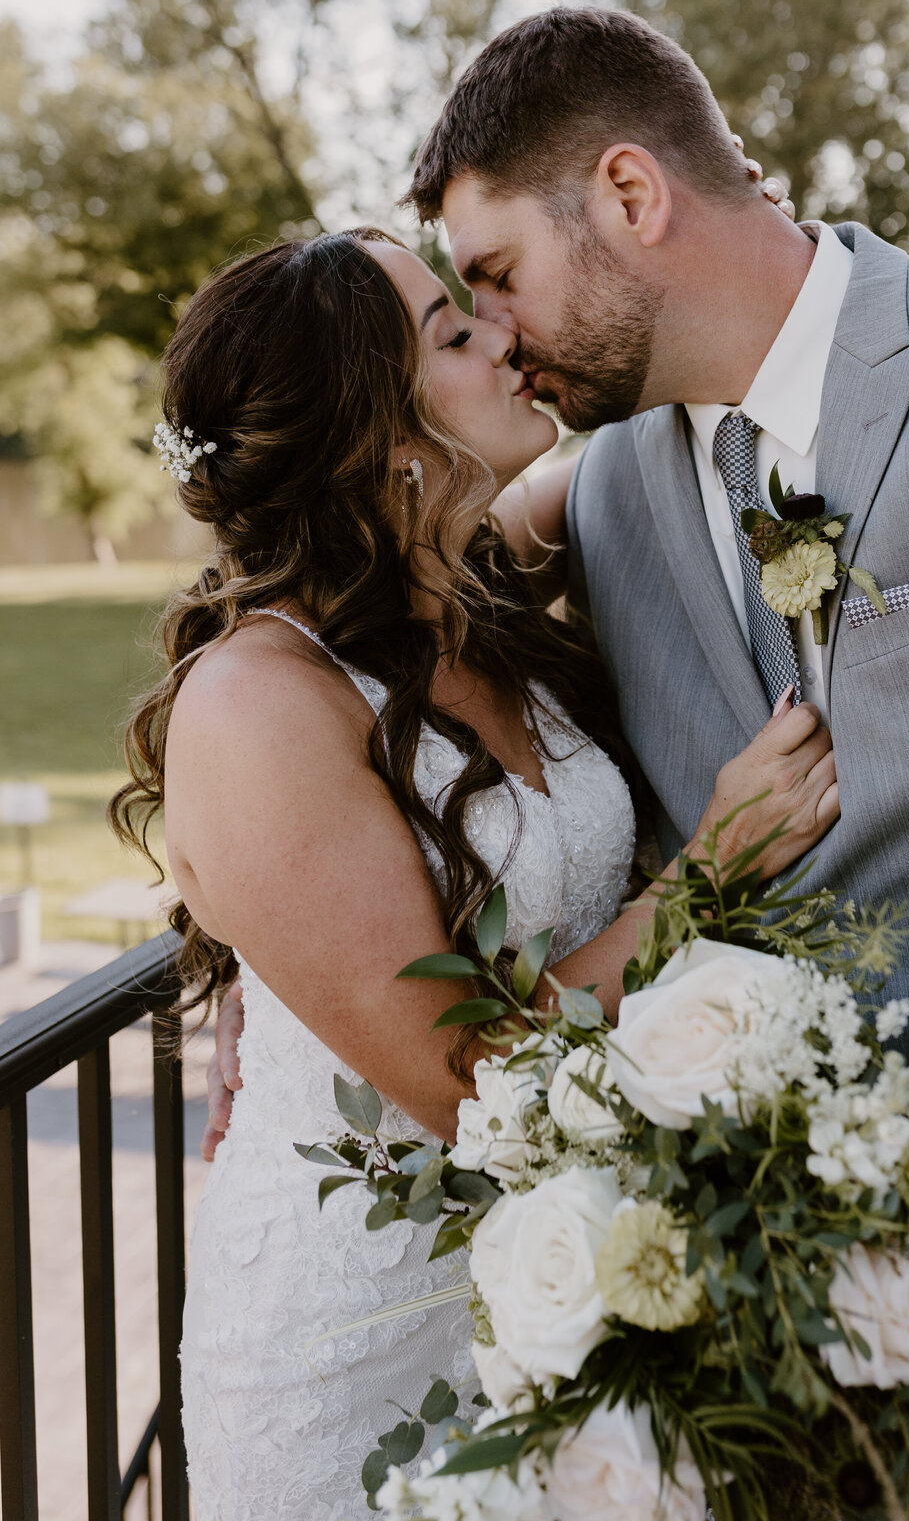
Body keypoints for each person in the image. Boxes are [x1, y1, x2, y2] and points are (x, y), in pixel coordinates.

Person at [395, 6, 909, 1520]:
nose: (491, 334)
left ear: (632, 196)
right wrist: (256, 915)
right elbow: (371, 645)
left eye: (497, 276)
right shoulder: (608, 492)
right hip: (769, 1397)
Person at [114, 225, 838, 1520]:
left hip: (564, 1284)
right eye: (454, 336)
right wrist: (712, 872)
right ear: (380, 438)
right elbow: (466, 1079)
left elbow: (645, 424)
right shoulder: (257, 706)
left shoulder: (471, 580)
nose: (503, 335)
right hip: (349, 1336)